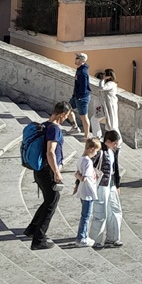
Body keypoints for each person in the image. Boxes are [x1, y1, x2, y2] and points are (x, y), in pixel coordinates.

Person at [23, 101, 72, 250]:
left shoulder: (44, 125)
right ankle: (39, 239)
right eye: (67, 116)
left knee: (49, 200)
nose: (67, 118)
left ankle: (32, 229)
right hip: (47, 171)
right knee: (52, 201)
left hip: (39, 170)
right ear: (62, 114)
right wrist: (56, 172)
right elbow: (50, 151)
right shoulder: (55, 129)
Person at [89, 129, 123, 248]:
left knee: (115, 210)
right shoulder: (99, 152)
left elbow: (115, 169)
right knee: (100, 212)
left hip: (111, 184)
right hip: (101, 185)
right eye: (114, 144)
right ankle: (95, 240)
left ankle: (113, 238)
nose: (116, 146)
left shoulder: (113, 151)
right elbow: (89, 166)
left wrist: (117, 184)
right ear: (108, 141)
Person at [74, 137, 101, 247]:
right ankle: (81, 238)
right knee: (86, 216)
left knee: (85, 215)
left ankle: (84, 235)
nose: (96, 153)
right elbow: (84, 178)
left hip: (84, 191)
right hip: (88, 192)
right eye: (96, 150)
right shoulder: (88, 162)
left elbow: (78, 174)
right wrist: (78, 176)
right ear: (91, 149)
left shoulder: (81, 159)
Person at [65, 53, 91, 137]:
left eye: (77, 58)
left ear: (81, 60)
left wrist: (79, 97)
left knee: (84, 117)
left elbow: (83, 87)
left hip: (81, 98)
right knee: (67, 109)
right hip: (76, 96)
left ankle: (86, 136)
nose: (75, 59)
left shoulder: (83, 72)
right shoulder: (80, 69)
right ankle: (75, 127)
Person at [96, 68, 119, 133]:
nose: (104, 75)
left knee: (112, 123)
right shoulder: (109, 83)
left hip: (110, 104)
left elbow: (101, 88)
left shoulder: (111, 84)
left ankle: (117, 139)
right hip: (107, 104)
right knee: (110, 122)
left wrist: (102, 79)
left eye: (105, 74)